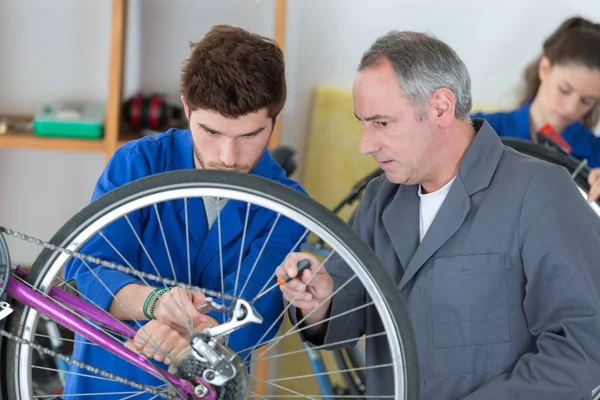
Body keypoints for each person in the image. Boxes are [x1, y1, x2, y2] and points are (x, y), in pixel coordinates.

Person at [278, 30, 600, 400]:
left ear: (441, 108)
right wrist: (320, 301)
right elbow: (350, 310)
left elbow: (585, 346)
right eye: (362, 123)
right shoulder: (380, 199)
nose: (365, 144)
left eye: (382, 123)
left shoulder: (541, 192)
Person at [62, 25, 307, 398]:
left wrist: (182, 332)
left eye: (250, 135)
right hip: (106, 385)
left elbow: (253, 315)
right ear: (187, 107)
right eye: (211, 132)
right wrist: (153, 303)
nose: (229, 156)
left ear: (275, 118)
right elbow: (88, 271)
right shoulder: (139, 163)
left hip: (204, 387)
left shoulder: (287, 207)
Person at [471, 16, 600, 201]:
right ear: (544, 69)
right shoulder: (482, 129)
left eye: (587, 101)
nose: (571, 108)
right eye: (564, 90)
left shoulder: (596, 155)